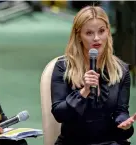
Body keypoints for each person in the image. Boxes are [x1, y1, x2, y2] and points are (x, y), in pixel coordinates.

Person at [51, 6, 136, 145]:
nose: (97, 38)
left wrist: (124, 123)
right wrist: (83, 92)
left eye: (101, 31)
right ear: (79, 36)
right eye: (89, 33)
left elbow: (121, 112)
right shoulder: (64, 67)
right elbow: (59, 114)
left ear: (108, 32)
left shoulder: (121, 70)